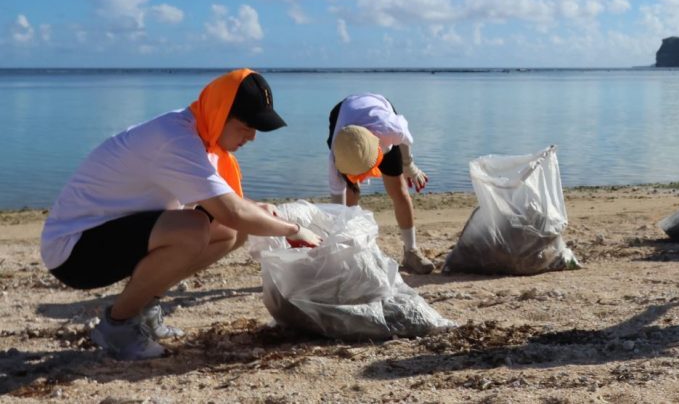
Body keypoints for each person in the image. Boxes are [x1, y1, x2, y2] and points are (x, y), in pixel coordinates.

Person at [40, 69, 322, 361]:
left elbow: (229, 209)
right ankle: (118, 326)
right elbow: (232, 211)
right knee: (193, 230)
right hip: (74, 252)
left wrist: (259, 211)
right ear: (219, 112)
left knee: (229, 232)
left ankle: (143, 306)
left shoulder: (202, 135)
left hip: (107, 235)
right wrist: (292, 229)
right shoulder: (176, 140)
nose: (251, 137)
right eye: (246, 126)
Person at [326, 93, 434, 274]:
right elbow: (338, 205)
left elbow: (406, 140)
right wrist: (336, 244)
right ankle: (349, 248)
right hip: (342, 115)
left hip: (379, 110)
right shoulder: (338, 156)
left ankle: (411, 252)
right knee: (351, 192)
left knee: (399, 190)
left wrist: (409, 166)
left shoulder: (392, 130)